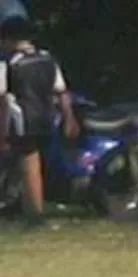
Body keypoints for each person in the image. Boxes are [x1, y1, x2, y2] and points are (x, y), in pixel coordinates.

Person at [0, 16, 78, 227]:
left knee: (27, 167)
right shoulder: (47, 59)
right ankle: (28, 208)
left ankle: (34, 214)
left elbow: (3, 99)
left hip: (19, 120)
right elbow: (61, 91)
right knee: (32, 166)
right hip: (45, 117)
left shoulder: (7, 63)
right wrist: (69, 118)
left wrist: (2, 132)